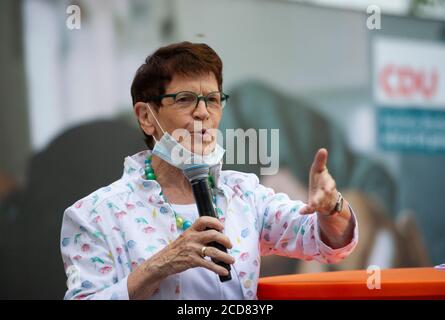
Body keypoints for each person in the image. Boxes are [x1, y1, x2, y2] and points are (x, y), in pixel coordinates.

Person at [60, 42, 358, 300]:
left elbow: (325, 243)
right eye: (185, 99)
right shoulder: (95, 214)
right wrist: (160, 265)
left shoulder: (245, 194)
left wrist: (332, 209)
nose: (203, 112)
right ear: (146, 117)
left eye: (213, 100)